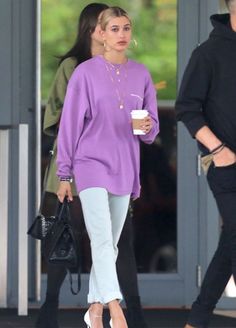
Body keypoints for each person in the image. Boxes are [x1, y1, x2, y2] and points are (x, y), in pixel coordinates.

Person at [36, 3, 151, 328]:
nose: (117, 33)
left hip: (116, 167)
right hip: (73, 166)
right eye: (109, 27)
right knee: (63, 237)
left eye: (122, 27)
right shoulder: (75, 67)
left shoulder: (133, 71)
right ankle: (53, 310)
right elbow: (58, 120)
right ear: (94, 29)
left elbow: (144, 121)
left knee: (116, 240)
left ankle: (117, 311)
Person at [175, 0, 236, 327]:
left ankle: (196, 320)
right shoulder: (208, 53)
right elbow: (187, 108)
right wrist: (220, 149)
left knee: (230, 244)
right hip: (226, 164)